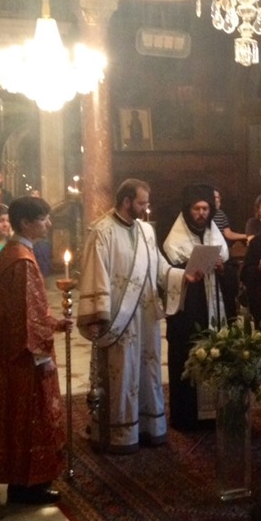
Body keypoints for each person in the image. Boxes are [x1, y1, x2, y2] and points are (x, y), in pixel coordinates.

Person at [0, 196, 72, 504]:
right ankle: (30, 486)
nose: (49, 224)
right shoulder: (23, 260)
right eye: (43, 219)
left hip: (11, 346)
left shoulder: (12, 252)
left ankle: (21, 482)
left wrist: (54, 323)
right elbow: (28, 314)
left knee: (15, 415)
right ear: (27, 223)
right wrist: (42, 354)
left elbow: (28, 307)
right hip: (26, 355)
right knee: (31, 415)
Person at [77, 180, 186, 452]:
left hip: (146, 318)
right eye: (141, 203)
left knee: (148, 370)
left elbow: (159, 265)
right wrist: (97, 315)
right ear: (126, 202)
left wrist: (183, 276)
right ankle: (120, 434)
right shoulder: (102, 232)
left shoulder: (146, 230)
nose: (146, 208)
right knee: (122, 373)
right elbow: (95, 273)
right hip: (119, 318)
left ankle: (149, 427)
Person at [163, 184, 230, 430]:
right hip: (188, 311)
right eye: (196, 209)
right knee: (187, 354)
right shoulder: (174, 241)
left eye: (205, 209)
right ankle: (187, 416)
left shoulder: (215, 235)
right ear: (188, 210)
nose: (201, 213)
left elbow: (230, 276)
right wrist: (187, 272)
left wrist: (221, 268)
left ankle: (214, 413)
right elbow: (166, 274)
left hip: (214, 307)